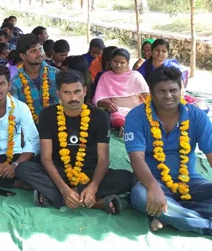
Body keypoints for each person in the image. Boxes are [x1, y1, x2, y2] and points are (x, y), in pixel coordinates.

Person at [124, 67, 212, 245]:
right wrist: (153, 186)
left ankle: (172, 216)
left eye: (173, 90)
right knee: (140, 196)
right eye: (162, 91)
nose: (168, 96)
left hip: (191, 183)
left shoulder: (196, 115)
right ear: (151, 92)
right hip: (153, 183)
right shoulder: (137, 116)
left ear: (181, 89)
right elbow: (137, 158)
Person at [15, 70, 135, 214]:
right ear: (58, 94)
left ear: (84, 91)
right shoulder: (47, 115)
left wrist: (93, 186)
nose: (73, 97)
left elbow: (103, 159)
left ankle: (55, 196)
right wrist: (63, 189)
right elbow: (46, 158)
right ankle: (94, 202)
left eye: (77, 91)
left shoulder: (100, 116)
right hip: (58, 170)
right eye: (67, 93)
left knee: (128, 178)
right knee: (23, 169)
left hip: (88, 172)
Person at [93, 48, 149, 134]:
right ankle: (132, 128)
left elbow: (147, 96)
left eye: (122, 63)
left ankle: (130, 128)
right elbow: (97, 100)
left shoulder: (135, 75)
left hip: (137, 109)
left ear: (127, 63)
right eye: (115, 61)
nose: (118, 65)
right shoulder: (105, 76)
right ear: (110, 61)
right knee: (118, 120)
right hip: (118, 112)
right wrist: (106, 104)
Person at [11, 34, 60, 125]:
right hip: (29, 131)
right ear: (23, 56)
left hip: (59, 129)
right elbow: (14, 112)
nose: (39, 54)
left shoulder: (55, 74)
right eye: (33, 51)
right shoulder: (15, 82)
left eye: (40, 49)